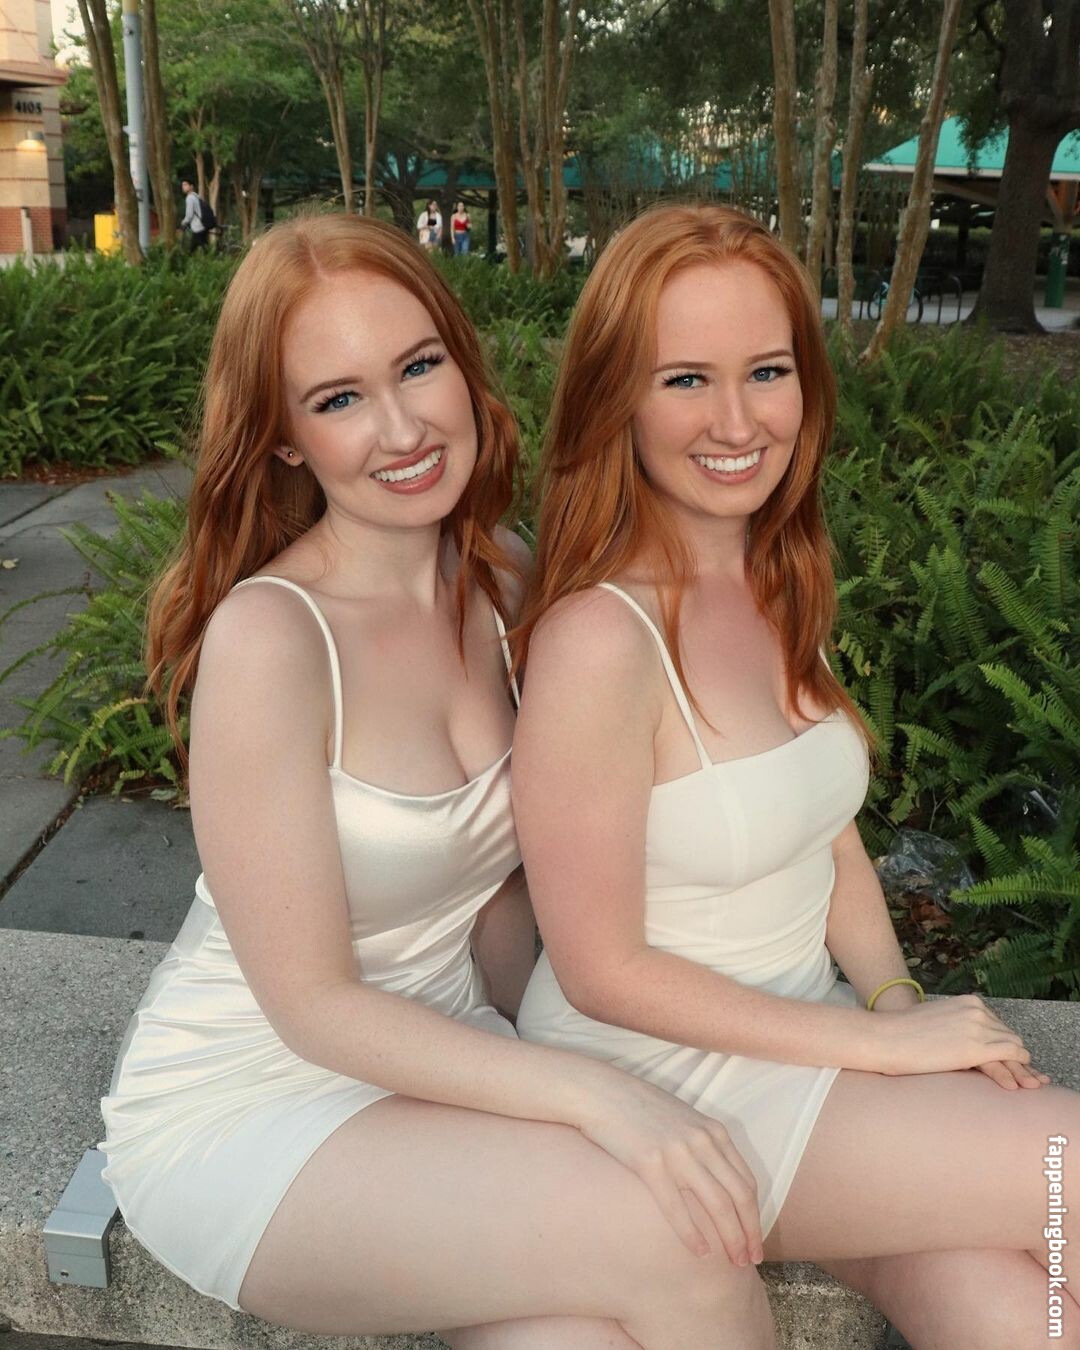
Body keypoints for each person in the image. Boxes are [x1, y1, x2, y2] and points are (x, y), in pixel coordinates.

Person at [98, 213, 776, 1350]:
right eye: (339, 398)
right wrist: (598, 1096)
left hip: (449, 1054)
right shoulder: (273, 638)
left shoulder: (504, 583)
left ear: (461, 364)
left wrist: (560, 1047)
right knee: (691, 1239)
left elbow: (505, 893)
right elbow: (311, 1005)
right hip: (256, 1096)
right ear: (282, 440)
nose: (404, 428)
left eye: (418, 367)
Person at [512, 202, 1080, 1350]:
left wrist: (897, 1001)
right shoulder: (601, 639)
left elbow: (829, 835)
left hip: (804, 1036)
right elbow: (599, 969)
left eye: (766, 371)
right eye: (686, 379)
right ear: (617, 399)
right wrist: (883, 1051)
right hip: (658, 1083)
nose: (737, 421)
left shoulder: (772, 578)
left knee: (1019, 1308)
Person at [180, 179, 208, 252]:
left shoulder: (189, 198)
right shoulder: (196, 196)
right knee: (203, 247)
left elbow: (189, 215)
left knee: (192, 249)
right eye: (182, 185)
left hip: (197, 227)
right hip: (203, 224)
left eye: (185, 185)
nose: (183, 187)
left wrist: (184, 222)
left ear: (191, 186)